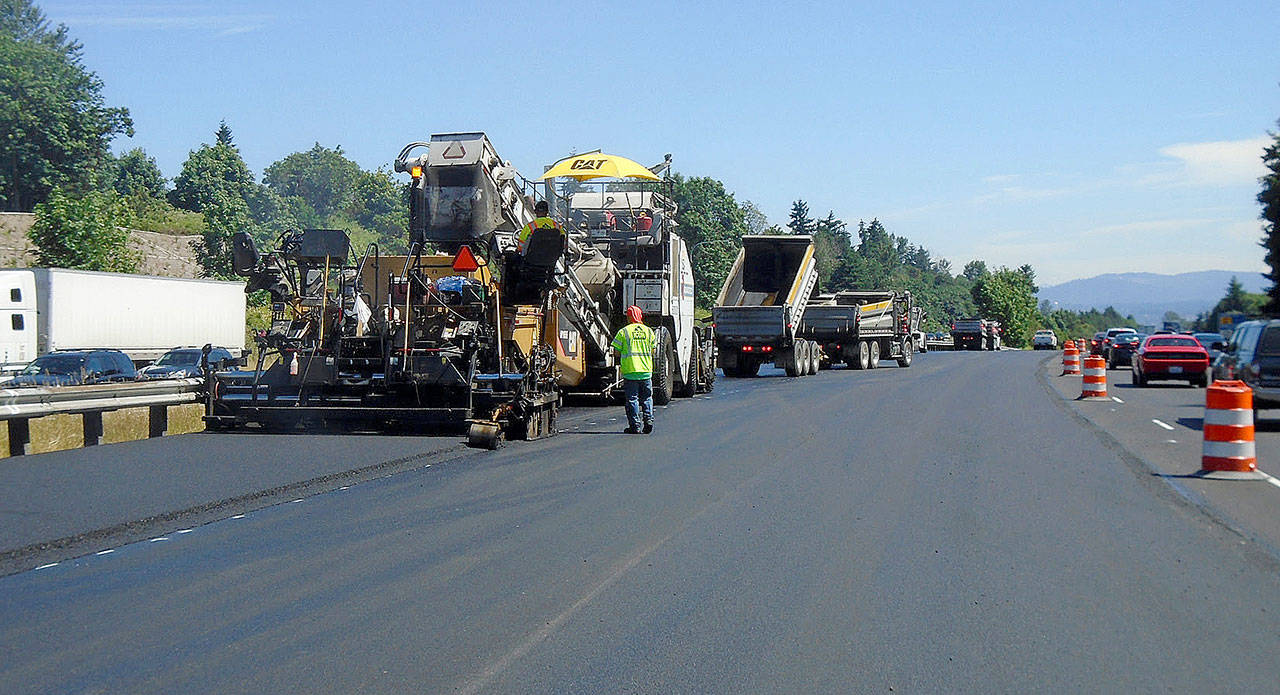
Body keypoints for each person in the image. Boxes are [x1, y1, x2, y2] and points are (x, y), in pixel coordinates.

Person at [611, 305, 656, 434]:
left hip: (630, 371)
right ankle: (648, 420)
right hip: (646, 371)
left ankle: (635, 425)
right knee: (647, 397)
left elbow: (616, 351)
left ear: (629, 317)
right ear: (640, 315)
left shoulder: (624, 332)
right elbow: (653, 350)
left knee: (632, 399)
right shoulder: (648, 331)